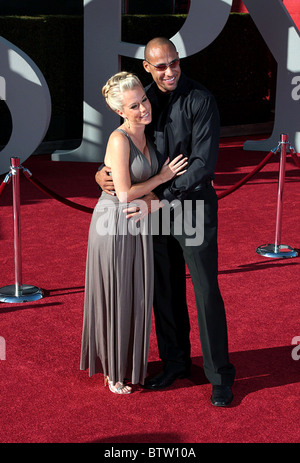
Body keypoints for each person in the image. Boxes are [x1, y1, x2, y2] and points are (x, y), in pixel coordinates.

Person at [96, 38, 236, 406]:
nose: (170, 71)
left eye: (174, 63)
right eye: (161, 66)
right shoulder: (143, 101)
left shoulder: (201, 100)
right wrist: (102, 174)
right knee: (165, 290)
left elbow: (204, 165)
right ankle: (176, 363)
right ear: (147, 68)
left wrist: (160, 198)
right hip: (152, 212)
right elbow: (124, 144)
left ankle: (219, 375)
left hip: (190, 208)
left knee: (206, 291)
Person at [80, 71, 187, 394]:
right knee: (118, 294)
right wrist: (161, 178)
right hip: (113, 225)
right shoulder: (118, 138)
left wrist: (153, 199)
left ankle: (124, 363)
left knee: (135, 296)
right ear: (119, 112)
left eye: (143, 100)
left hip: (137, 224)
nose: (143, 109)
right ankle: (113, 371)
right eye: (133, 106)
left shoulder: (148, 132)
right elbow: (125, 194)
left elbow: (136, 192)